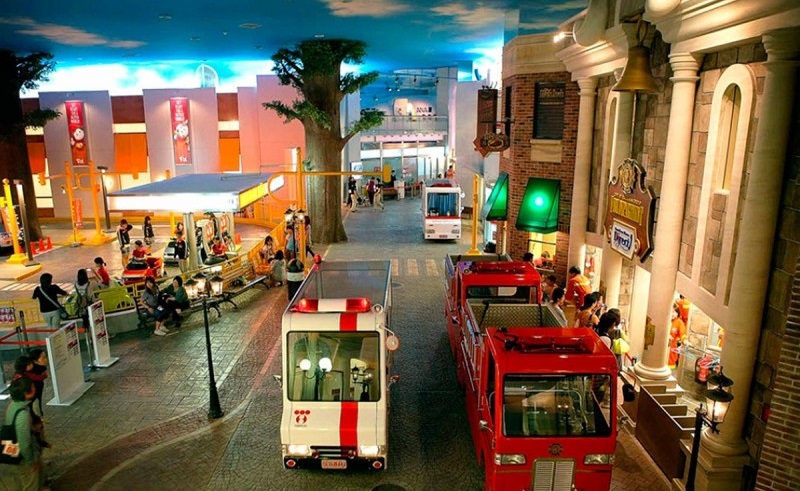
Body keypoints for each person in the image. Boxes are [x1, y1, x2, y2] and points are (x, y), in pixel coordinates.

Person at [1, 377, 42, 491]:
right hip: (22, 456)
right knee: (30, 483)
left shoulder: (13, 405)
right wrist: (31, 462)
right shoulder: (23, 414)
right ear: (26, 393)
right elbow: (24, 443)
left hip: (12, 449)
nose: (34, 387)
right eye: (32, 386)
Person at [27, 349, 49, 418]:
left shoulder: (40, 372)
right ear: (35, 361)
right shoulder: (34, 377)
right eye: (43, 358)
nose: (46, 360)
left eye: (46, 357)